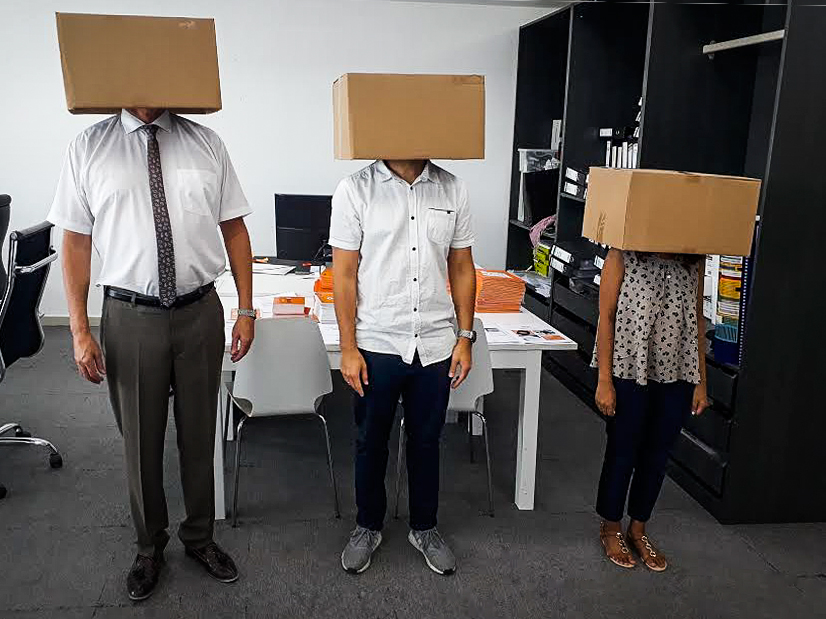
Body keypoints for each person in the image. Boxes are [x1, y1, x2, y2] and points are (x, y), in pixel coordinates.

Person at [49, 108, 255, 601]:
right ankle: (148, 546)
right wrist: (79, 330)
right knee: (139, 439)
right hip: (129, 314)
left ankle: (200, 537)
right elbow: (76, 243)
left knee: (200, 430)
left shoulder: (206, 142)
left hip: (199, 311)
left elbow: (234, 230)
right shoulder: (89, 147)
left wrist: (246, 308)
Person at [330, 159, 477, 576]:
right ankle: (367, 526)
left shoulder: (452, 189)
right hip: (377, 341)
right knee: (369, 441)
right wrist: (347, 347)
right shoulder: (355, 190)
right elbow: (343, 273)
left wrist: (465, 337)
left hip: (433, 342)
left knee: (427, 441)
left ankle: (424, 527)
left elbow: (462, 265)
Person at [592, 250, 709, 571]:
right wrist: (604, 380)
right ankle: (611, 525)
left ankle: (638, 528)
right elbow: (606, 315)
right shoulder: (622, 253)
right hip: (629, 368)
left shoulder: (695, 259)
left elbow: (698, 319)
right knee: (622, 449)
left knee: (658, 454)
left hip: (679, 370)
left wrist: (701, 381)